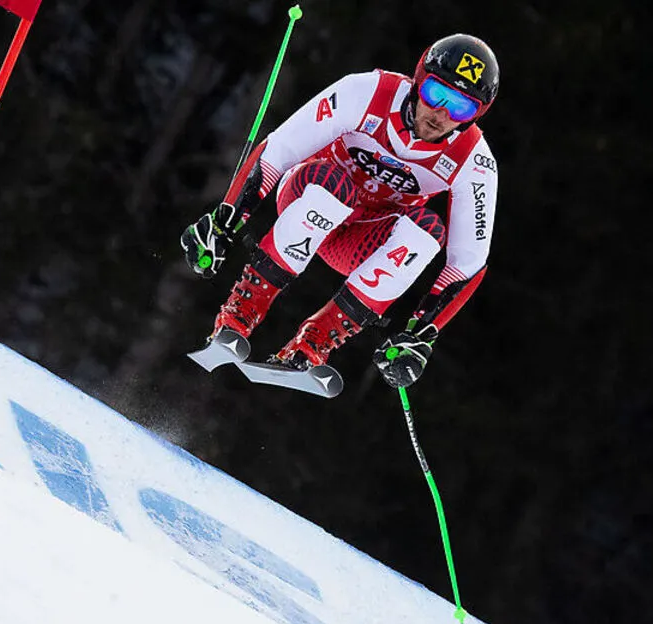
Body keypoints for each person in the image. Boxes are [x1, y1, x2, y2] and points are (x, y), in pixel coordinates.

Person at [181, 33, 499, 389]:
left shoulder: (474, 161)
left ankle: (311, 346)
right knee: (335, 189)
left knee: (427, 232)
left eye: (460, 108)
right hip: (309, 194)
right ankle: (238, 316)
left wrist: (421, 333)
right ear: (418, 81)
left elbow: (468, 262)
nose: (441, 114)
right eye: (436, 93)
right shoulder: (368, 92)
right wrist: (226, 220)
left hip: (360, 240)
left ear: (475, 115)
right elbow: (279, 150)